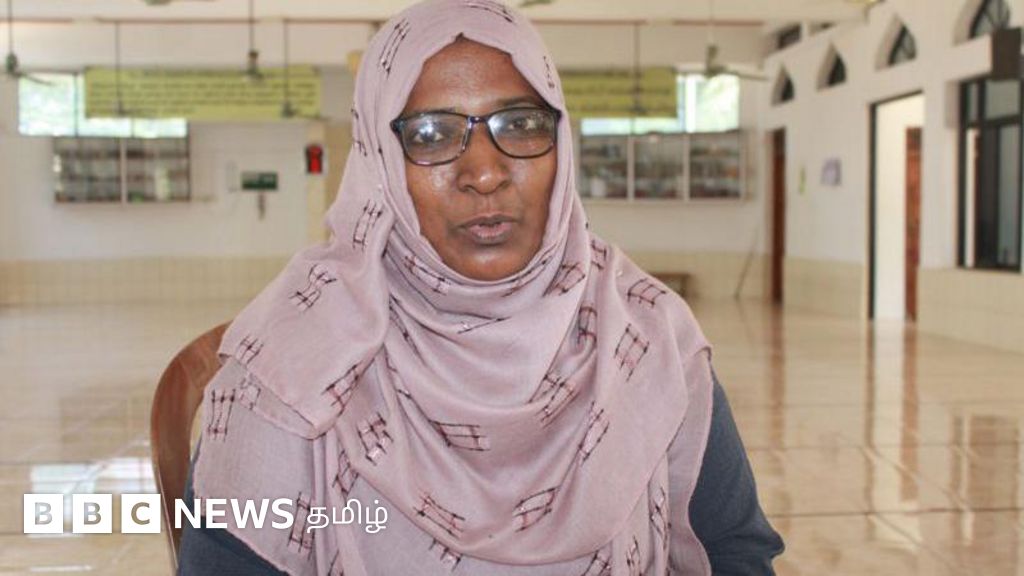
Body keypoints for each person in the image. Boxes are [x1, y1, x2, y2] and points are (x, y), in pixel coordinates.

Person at [179, 0, 783, 574]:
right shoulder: (291, 365)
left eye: (520, 124)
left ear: (561, 145)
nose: (485, 172)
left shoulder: (647, 336)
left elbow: (734, 553)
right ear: (378, 162)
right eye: (431, 135)